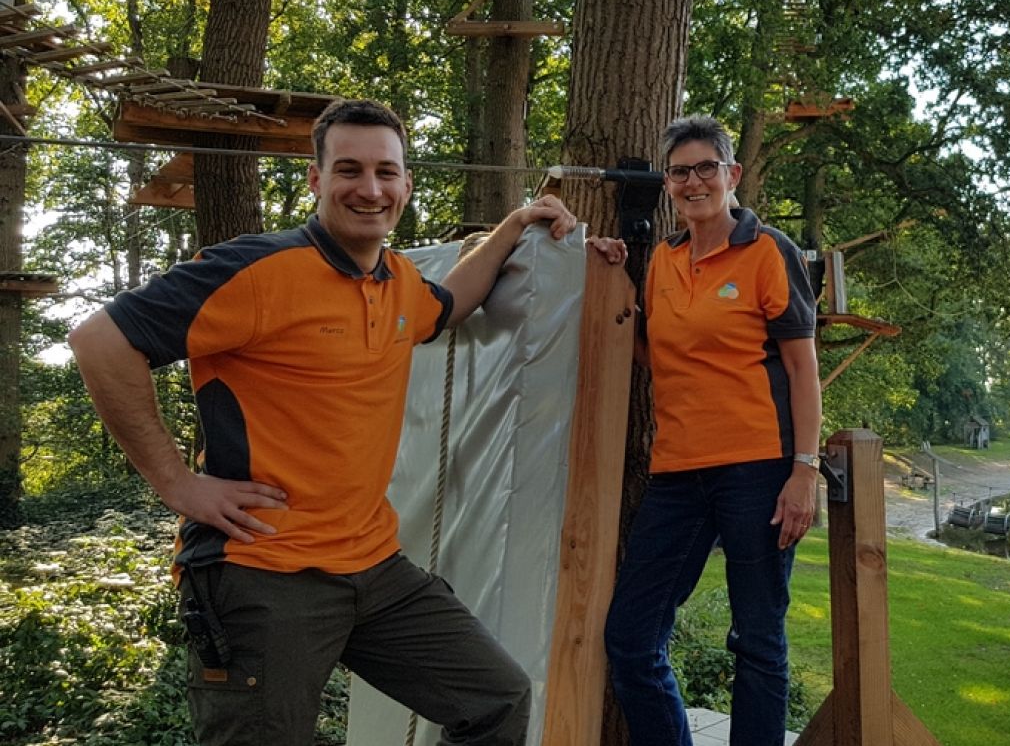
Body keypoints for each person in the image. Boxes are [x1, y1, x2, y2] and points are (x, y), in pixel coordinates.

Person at [67, 99, 621, 746]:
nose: (370, 188)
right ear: (315, 179)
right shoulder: (256, 271)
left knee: (495, 698)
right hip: (263, 571)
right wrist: (176, 482)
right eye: (349, 170)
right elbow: (99, 339)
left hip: (374, 568)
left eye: (387, 172)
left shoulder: (397, 284)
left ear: (406, 185)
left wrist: (518, 223)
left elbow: (449, 304)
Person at [604, 115, 822, 746]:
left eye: (705, 168)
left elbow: (802, 367)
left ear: (732, 174)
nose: (693, 181)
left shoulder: (767, 251)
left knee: (757, 639)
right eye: (679, 171)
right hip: (676, 472)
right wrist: (610, 278)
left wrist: (802, 471)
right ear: (668, 183)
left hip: (759, 468)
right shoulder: (664, 260)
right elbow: (656, 354)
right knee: (630, 636)